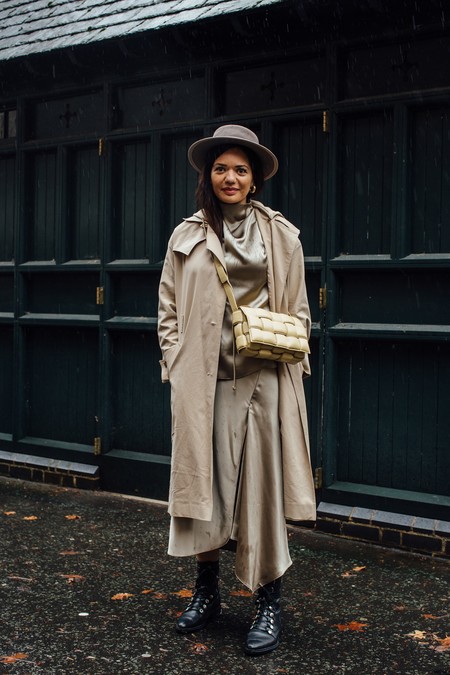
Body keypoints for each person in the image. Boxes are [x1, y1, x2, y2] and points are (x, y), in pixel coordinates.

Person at [157, 124, 316, 656]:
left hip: (264, 381)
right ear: (209, 176)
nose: (230, 177)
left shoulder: (281, 236)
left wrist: (288, 357)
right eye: (221, 168)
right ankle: (207, 593)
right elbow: (169, 310)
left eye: (240, 170)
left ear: (254, 181)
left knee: (262, 493)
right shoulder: (186, 237)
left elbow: (298, 312)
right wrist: (176, 364)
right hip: (205, 385)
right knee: (204, 492)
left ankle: (268, 600)